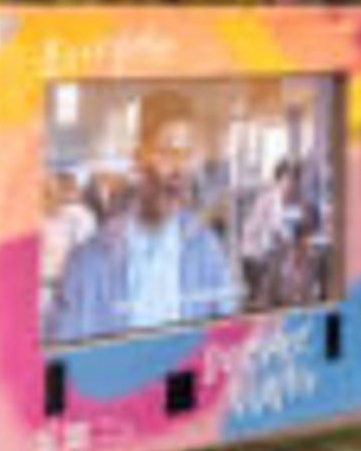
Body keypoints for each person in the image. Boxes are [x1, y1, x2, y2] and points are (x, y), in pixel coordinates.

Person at [45, 93, 240, 341]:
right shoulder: (90, 262)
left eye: (187, 153)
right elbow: (69, 360)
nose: (178, 168)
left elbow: (227, 341)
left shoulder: (206, 253)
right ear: (138, 158)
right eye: (167, 152)